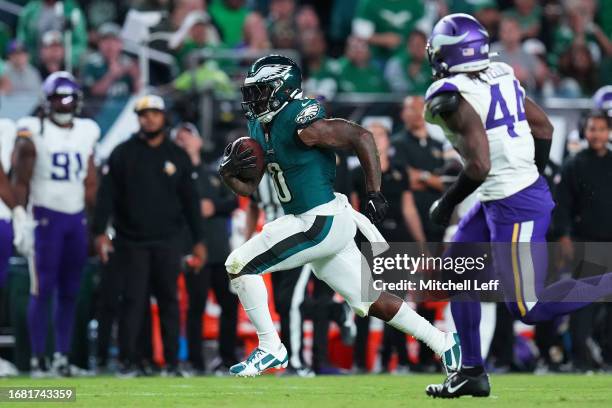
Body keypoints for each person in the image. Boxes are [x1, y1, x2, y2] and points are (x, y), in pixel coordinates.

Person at [219, 54, 460, 377]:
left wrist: (374, 192)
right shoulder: (259, 124)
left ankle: (270, 347)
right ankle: (444, 342)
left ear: (283, 89)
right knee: (370, 299)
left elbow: (362, 136)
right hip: (319, 222)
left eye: (261, 90)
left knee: (239, 264)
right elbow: (249, 188)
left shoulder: (300, 120)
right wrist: (228, 173)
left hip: (318, 219)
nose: (253, 98)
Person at [421, 14, 612, 398]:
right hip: (502, 195)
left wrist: (446, 203)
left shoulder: (450, 94)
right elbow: (543, 127)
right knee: (456, 275)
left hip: (515, 204)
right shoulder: (502, 74)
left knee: (528, 308)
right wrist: (530, 174)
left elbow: (478, 165)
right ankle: (471, 372)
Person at [92, 95, 206, 377]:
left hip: (168, 239)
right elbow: (106, 196)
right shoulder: (122, 153)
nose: (150, 119)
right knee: (133, 302)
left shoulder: (177, 155)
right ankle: (131, 360)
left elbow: (191, 202)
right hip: (131, 240)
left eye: (154, 113)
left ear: (164, 117)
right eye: (144, 114)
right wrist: (99, 232)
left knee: (169, 300)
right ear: (138, 118)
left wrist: (199, 241)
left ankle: (171, 362)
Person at [12, 72, 99, 377]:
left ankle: (62, 357)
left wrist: (97, 222)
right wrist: (21, 215)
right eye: (58, 98)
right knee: (42, 289)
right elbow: (20, 177)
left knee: (70, 291)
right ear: (46, 102)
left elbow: (90, 179)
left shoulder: (87, 130)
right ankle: (38, 359)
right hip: (45, 217)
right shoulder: (33, 130)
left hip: (75, 218)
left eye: (69, 98)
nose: (64, 104)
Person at [172, 122, 239, 374]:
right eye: (179, 137)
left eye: (188, 135)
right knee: (195, 307)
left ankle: (228, 357)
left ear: (199, 142)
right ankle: (195, 361)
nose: (184, 140)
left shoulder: (215, 173)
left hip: (220, 251)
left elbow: (233, 201)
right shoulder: (173, 175)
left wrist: (213, 206)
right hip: (193, 250)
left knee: (229, 305)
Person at [554, 111, 612, 371]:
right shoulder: (573, 164)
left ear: (608, 131)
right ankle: (580, 359)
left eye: (601, 129)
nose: (596, 134)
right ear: (584, 132)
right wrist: (564, 236)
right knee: (583, 304)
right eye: (592, 129)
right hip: (586, 243)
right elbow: (562, 206)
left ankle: (608, 357)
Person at [391, 96, 446, 242]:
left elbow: (445, 183)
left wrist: (422, 176)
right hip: (411, 216)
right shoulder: (397, 143)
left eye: (421, 108)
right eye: (412, 108)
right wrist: (432, 179)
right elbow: (406, 180)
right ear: (403, 114)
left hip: (438, 215)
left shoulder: (438, 145)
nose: (417, 113)